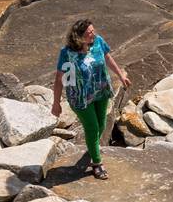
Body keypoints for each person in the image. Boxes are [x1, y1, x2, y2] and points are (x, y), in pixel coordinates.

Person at [51, 19, 130, 179]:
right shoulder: (67, 53)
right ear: (78, 37)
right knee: (93, 128)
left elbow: (108, 58)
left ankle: (91, 146)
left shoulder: (98, 41)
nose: (93, 34)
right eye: (89, 33)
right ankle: (97, 163)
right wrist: (56, 102)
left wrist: (121, 75)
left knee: (101, 125)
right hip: (80, 97)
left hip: (100, 91)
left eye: (93, 31)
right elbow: (59, 79)